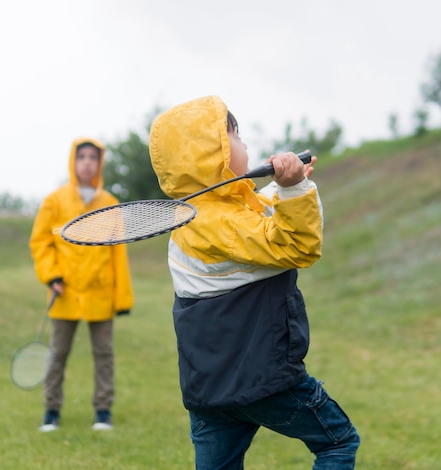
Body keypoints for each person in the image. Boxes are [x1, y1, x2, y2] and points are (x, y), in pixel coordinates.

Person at [148, 96, 360, 468]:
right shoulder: (223, 223)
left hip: (208, 393)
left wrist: (287, 187)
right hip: (263, 380)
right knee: (338, 442)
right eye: (233, 134)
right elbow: (298, 246)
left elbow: (250, 219)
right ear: (210, 152)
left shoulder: (195, 219)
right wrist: (293, 192)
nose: (244, 144)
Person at [29, 137, 134, 432]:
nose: (87, 162)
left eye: (93, 157)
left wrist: (121, 298)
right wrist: (52, 275)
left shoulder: (110, 203)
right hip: (65, 292)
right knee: (57, 353)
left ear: (100, 163)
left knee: (104, 355)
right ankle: (51, 411)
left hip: (100, 291)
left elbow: (118, 252)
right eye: (82, 157)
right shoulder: (55, 200)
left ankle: (103, 411)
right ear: (72, 161)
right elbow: (40, 242)